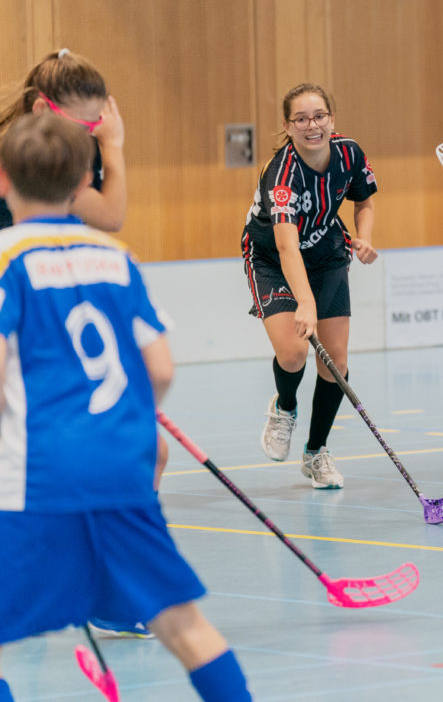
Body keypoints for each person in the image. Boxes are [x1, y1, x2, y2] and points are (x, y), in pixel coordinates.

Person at [0, 114, 252, 701]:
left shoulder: (5, 259)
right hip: (121, 469)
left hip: (35, 478)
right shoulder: (114, 255)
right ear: (86, 180)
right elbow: (159, 368)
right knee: (182, 625)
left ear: (4, 179)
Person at [0, 49, 161, 640]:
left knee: (150, 455)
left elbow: (107, 216)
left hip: (38, 330)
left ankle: (107, 594)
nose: (93, 134)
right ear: (45, 108)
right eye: (87, 124)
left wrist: (111, 147)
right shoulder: (19, 159)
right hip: (16, 328)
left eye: (101, 124)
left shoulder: (63, 155)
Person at [241, 84, 378, 489]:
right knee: (294, 352)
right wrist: (305, 303)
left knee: (334, 361)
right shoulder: (281, 174)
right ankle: (284, 407)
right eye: (300, 119)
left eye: (319, 116)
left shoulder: (349, 152)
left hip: (326, 252)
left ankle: (316, 452)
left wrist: (365, 237)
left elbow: (364, 199)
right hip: (270, 258)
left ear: (331, 119)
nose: (311, 125)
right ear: (288, 125)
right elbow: (285, 245)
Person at [0, 49, 127, 232]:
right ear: (42, 109)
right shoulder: (30, 154)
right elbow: (111, 218)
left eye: (93, 126)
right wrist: (113, 144)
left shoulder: (80, 144)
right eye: (80, 126)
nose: (87, 136)